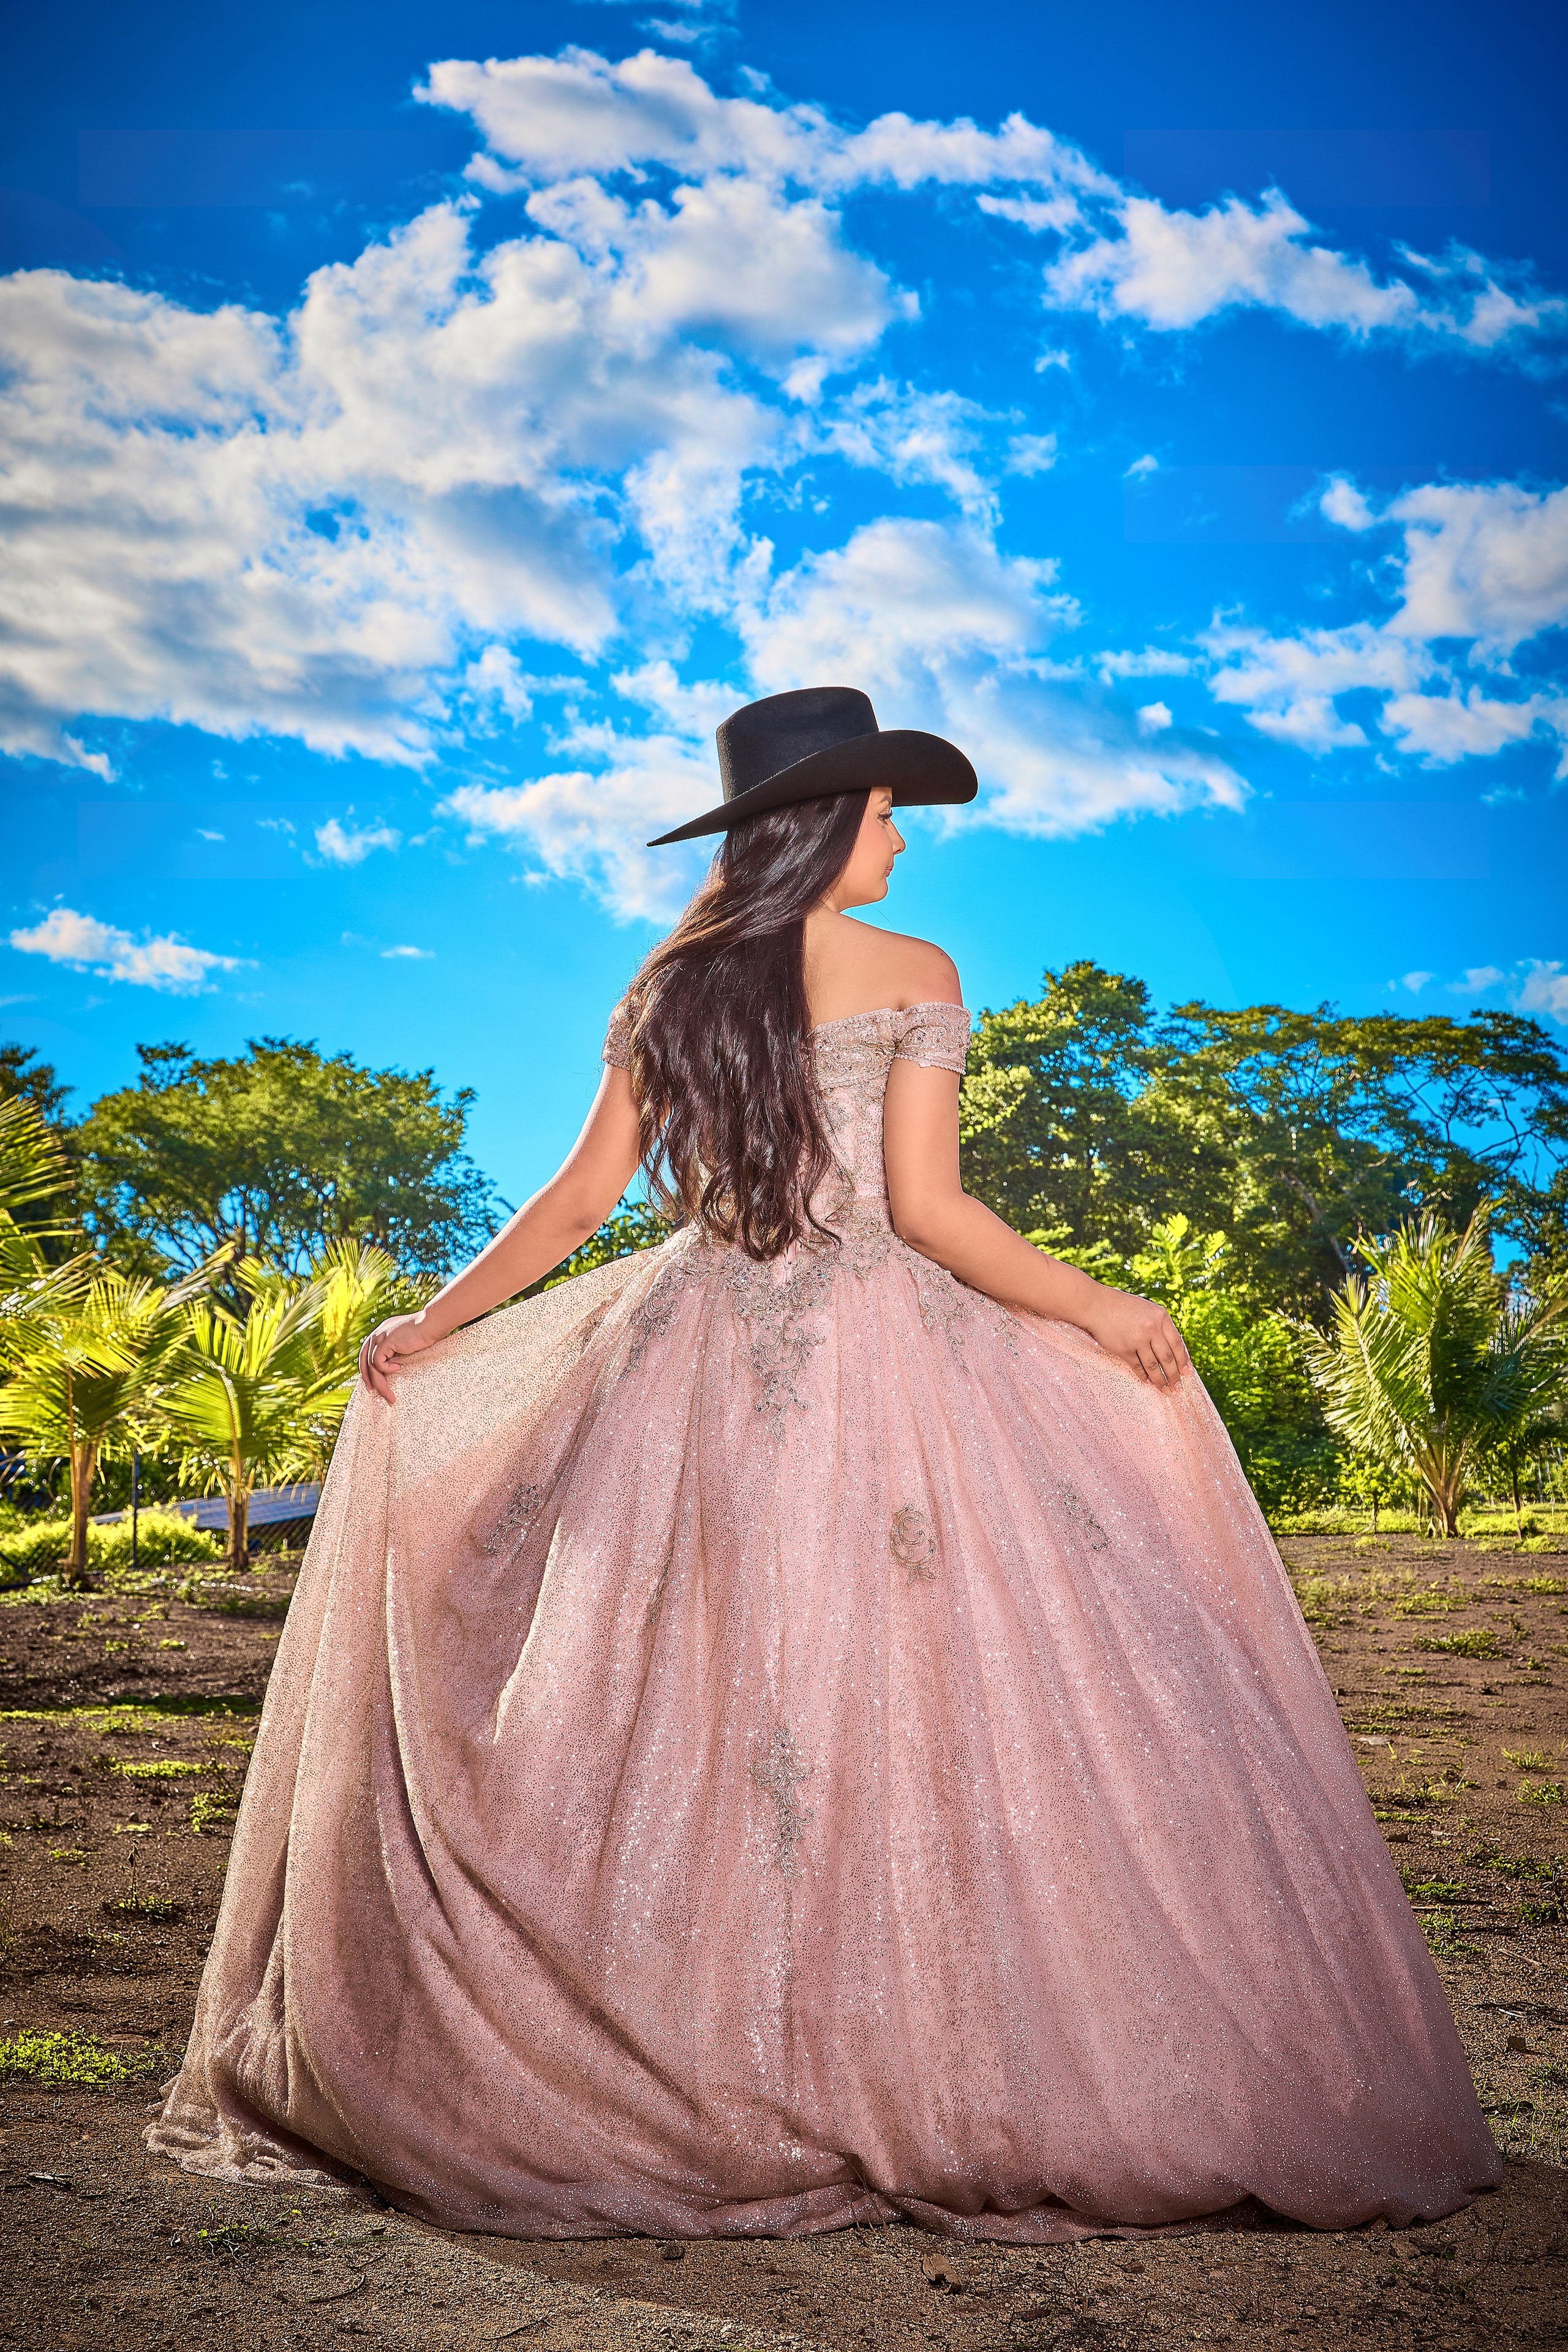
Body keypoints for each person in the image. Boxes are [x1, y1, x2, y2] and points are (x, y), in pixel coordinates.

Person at [148, 687, 1500, 2243]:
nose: (903, 838)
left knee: (693, 1718)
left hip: (690, 1366)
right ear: (827, 820)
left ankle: (709, 2050)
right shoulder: (913, 975)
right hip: (882, 1365)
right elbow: (927, 1216)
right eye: (882, 813)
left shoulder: (670, 984)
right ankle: (888, 2051)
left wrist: (438, 1319)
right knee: (924, 1698)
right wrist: (1106, 1305)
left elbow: (586, 1193)